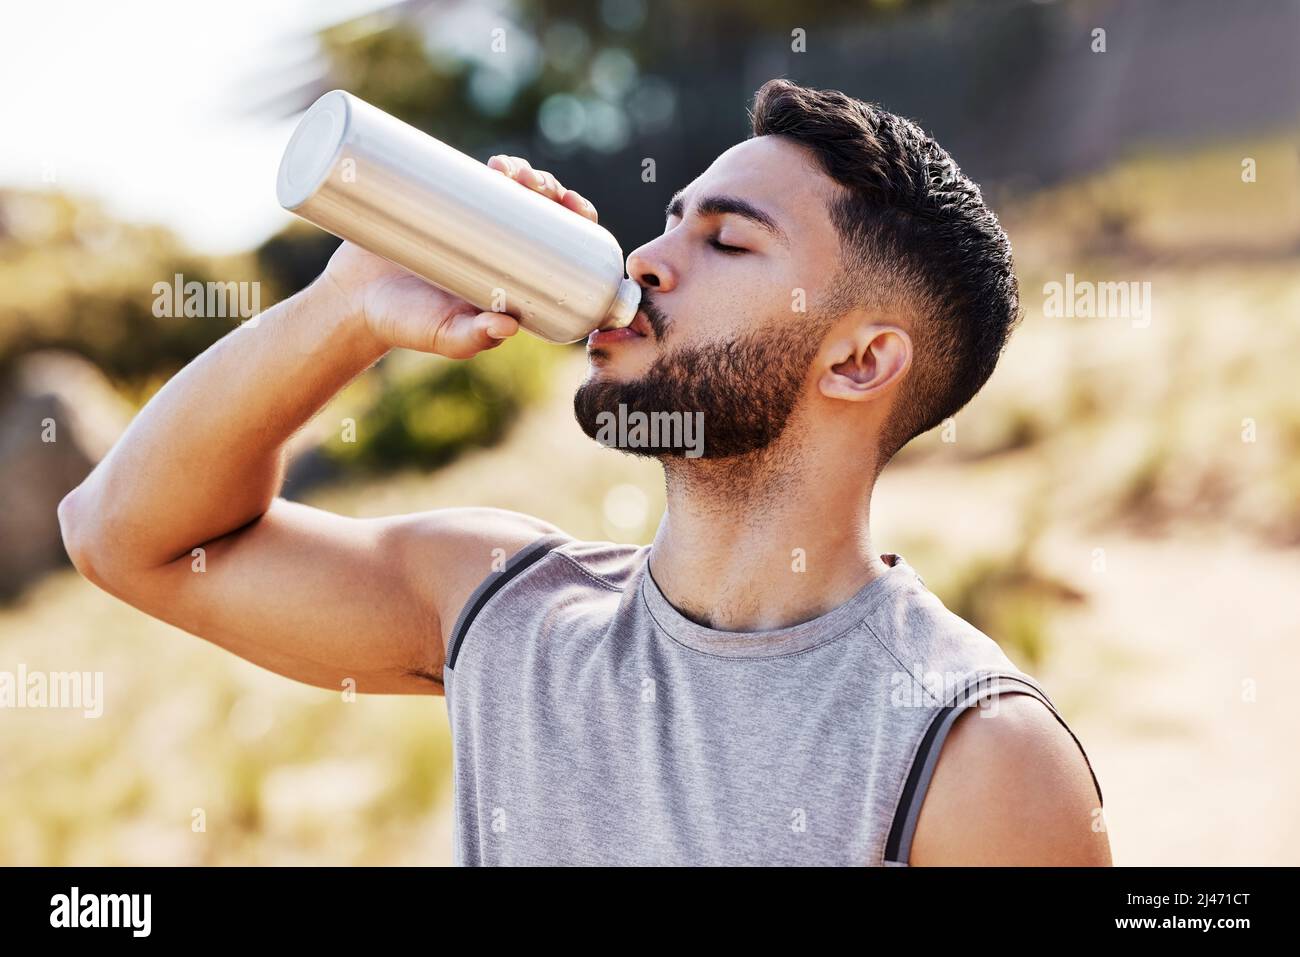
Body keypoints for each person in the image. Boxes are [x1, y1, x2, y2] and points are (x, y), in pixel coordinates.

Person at [59, 78, 1111, 866]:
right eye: (665, 224)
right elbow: (122, 536)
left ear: (860, 358)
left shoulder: (973, 753)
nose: (646, 262)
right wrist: (347, 311)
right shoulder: (498, 605)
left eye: (727, 243)